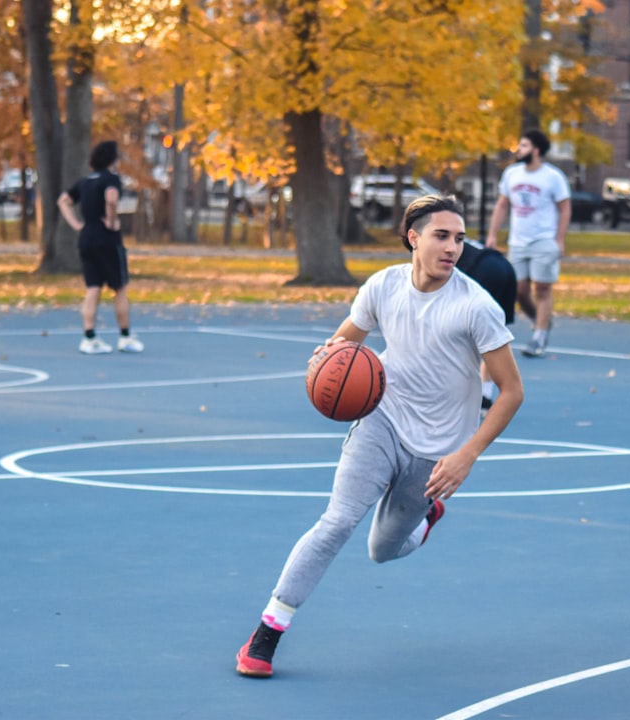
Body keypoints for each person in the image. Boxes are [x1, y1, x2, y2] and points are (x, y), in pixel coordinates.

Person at [235, 195, 524, 678]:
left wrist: (467, 455)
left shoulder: (476, 307)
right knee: (337, 522)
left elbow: (512, 391)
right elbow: (346, 339)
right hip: (381, 421)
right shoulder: (383, 286)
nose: (452, 247)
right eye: (441, 235)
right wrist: (326, 359)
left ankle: (427, 515)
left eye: (459, 238)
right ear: (414, 237)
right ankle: (266, 635)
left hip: (438, 451)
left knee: (382, 550)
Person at [485, 129, 571, 358]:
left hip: (544, 240)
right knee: (520, 291)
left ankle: (540, 337)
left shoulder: (553, 176)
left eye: (523, 146)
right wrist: (493, 234)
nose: (518, 150)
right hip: (518, 242)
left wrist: (559, 240)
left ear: (535, 150)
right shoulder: (512, 174)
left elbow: (565, 208)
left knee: (542, 288)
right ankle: (539, 320)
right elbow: (503, 205)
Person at [57, 140, 144, 354]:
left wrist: (77, 224)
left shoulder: (85, 181)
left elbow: (63, 201)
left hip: (87, 237)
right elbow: (112, 199)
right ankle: (125, 337)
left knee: (93, 288)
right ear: (113, 159)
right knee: (119, 287)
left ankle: (89, 337)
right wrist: (112, 219)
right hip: (107, 239)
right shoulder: (111, 179)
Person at [456, 238, 517, 411]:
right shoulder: (460, 240)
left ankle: (471, 395)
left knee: (468, 338)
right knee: (493, 338)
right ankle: (486, 395)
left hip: (485, 271)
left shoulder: (438, 248)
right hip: (505, 267)